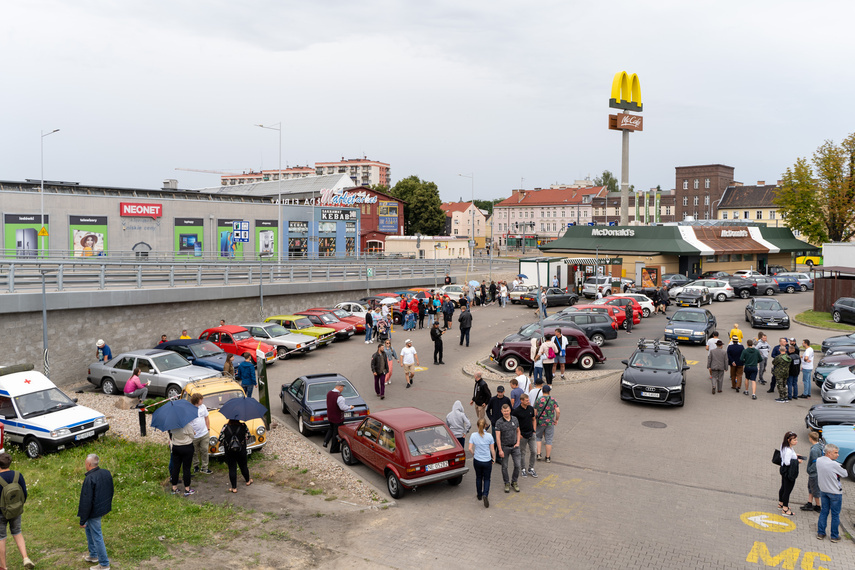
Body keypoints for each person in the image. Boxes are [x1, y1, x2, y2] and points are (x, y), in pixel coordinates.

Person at [78, 454, 113, 570]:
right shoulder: (106, 473)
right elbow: (111, 490)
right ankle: (93, 555)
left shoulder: (89, 478)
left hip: (94, 511)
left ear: (88, 464)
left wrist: (82, 519)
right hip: (102, 508)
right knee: (89, 530)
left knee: (97, 535)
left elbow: (86, 501)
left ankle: (104, 564)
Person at [0, 454, 34, 570]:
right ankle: (25, 558)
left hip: (1, 513)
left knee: (1, 537)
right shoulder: (18, 475)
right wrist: (18, 507)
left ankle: (3, 567)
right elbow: (24, 493)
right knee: (17, 532)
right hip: (16, 510)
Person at [816, 444, 849, 542]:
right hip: (835, 493)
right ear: (829, 453)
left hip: (823, 490)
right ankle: (834, 536)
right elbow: (845, 474)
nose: (838, 455)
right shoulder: (834, 464)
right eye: (836, 452)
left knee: (824, 512)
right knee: (835, 515)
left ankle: (820, 533)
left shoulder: (819, 460)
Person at [219, 419, 252, 493]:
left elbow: (220, 439)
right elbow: (248, 436)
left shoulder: (225, 427)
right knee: (243, 466)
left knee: (232, 468)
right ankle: (247, 481)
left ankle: (234, 488)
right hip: (241, 450)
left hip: (229, 451)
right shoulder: (243, 426)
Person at [468, 419, 495, 508]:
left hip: (477, 460)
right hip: (487, 460)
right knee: (487, 479)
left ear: (477, 426)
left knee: (478, 477)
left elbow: (470, 448)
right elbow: (492, 449)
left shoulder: (473, 435)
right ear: (486, 426)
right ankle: (485, 494)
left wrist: (474, 454)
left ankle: (479, 494)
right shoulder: (489, 436)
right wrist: (494, 458)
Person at [495, 404, 521, 493]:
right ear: (502, 412)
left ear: (510, 411)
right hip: (504, 447)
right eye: (504, 411)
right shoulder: (499, 422)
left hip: (515, 446)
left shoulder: (515, 419)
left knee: (518, 465)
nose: (506, 413)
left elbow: (518, 431)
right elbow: (497, 437)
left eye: (507, 411)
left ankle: (514, 482)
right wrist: (500, 450)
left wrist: (518, 443)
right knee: (504, 466)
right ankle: (506, 483)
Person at [323, 381, 353, 453]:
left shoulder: (329, 393)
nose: (342, 389)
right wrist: (350, 407)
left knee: (330, 429)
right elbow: (342, 407)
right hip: (337, 418)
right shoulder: (340, 397)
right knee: (336, 434)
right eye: (342, 388)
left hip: (330, 416)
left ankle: (325, 442)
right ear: (340, 387)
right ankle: (334, 449)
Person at [777, 431, 802, 516]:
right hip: (789, 471)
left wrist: (795, 455)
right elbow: (788, 462)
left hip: (783, 469)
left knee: (783, 487)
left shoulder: (784, 446)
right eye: (794, 440)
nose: (796, 441)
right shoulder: (788, 450)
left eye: (796, 439)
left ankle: (781, 503)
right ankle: (785, 509)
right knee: (787, 490)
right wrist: (797, 461)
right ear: (789, 440)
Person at [169, 417, 196, 496]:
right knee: (186, 468)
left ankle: (174, 488)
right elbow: (192, 436)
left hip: (176, 447)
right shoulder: (187, 426)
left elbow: (171, 436)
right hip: (187, 447)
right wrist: (193, 433)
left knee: (176, 467)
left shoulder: (172, 426)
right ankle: (187, 489)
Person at [512, 393, 537, 478]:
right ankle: (523, 469)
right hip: (522, 435)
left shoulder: (530, 408)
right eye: (526, 400)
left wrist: (534, 430)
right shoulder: (516, 411)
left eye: (528, 400)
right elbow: (514, 424)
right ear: (521, 401)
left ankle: (531, 468)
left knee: (534, 451)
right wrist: (519, 434)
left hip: (531, 434)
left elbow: (534, 419)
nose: (528, 401)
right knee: (522, 453)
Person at [534, 384, 559, 463]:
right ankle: (547, 457)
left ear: (542, 391)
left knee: (538, 437)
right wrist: (556, 419)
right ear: (549, 391)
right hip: (550, 422)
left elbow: (535, 412)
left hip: (540, 422)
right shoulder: (553, 400)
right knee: (549, 440)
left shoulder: (538, 400)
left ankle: (538, 454)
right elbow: (558, 411)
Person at [190, 393, 212, 475]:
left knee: (204, 450)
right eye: (201, 399)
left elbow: (206, 417)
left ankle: (205, 467)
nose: (202, 400)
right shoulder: (190, 409)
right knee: (194, 452)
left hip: (204, 433)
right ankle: (196, 466)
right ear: (197, 401)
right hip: (194, 436)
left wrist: (208, 428)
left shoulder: (203, 407)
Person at [801, 431, 823, 513]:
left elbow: (815, 462)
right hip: (817, 472)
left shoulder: (814, 450)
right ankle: (809, 503)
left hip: (814, 473)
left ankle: (818, 506)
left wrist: (810, 470)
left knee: (814, 489)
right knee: (811, 488)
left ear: (810, 438)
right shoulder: (820, 446)